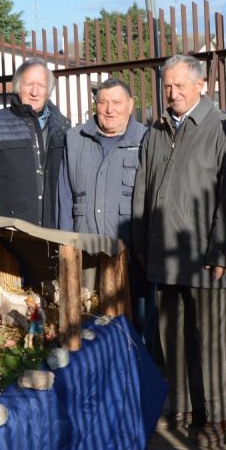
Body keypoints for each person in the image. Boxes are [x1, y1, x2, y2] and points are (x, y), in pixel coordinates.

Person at [132, 54, 226, 447]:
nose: (173, 93)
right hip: (163, 251)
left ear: (200, 85)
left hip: (202, 254)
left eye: (180, 86)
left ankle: (220, 415)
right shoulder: (157, 129)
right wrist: (142, 244)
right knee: (171, 336)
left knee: (210, 338)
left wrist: (221, 252)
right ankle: (182, 407)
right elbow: (142, 191)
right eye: (168, 86)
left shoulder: (221, 128)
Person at [57, 77, 150, 342]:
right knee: (87, 326)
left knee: (134, 329)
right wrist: (66, 247)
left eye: (117, 103)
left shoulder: (146, 139)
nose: (110, 109)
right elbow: (64, 195)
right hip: (84, 255)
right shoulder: (74, 139)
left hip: (131, 257)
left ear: (131, 105)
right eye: (103, 102)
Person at [0, 58, 70, 289]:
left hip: (53, 231)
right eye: (28, 84)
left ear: (48, 90)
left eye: (41, 86)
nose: (34, 91)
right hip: (15, 234)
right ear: (17, 87)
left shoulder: (63, 127)